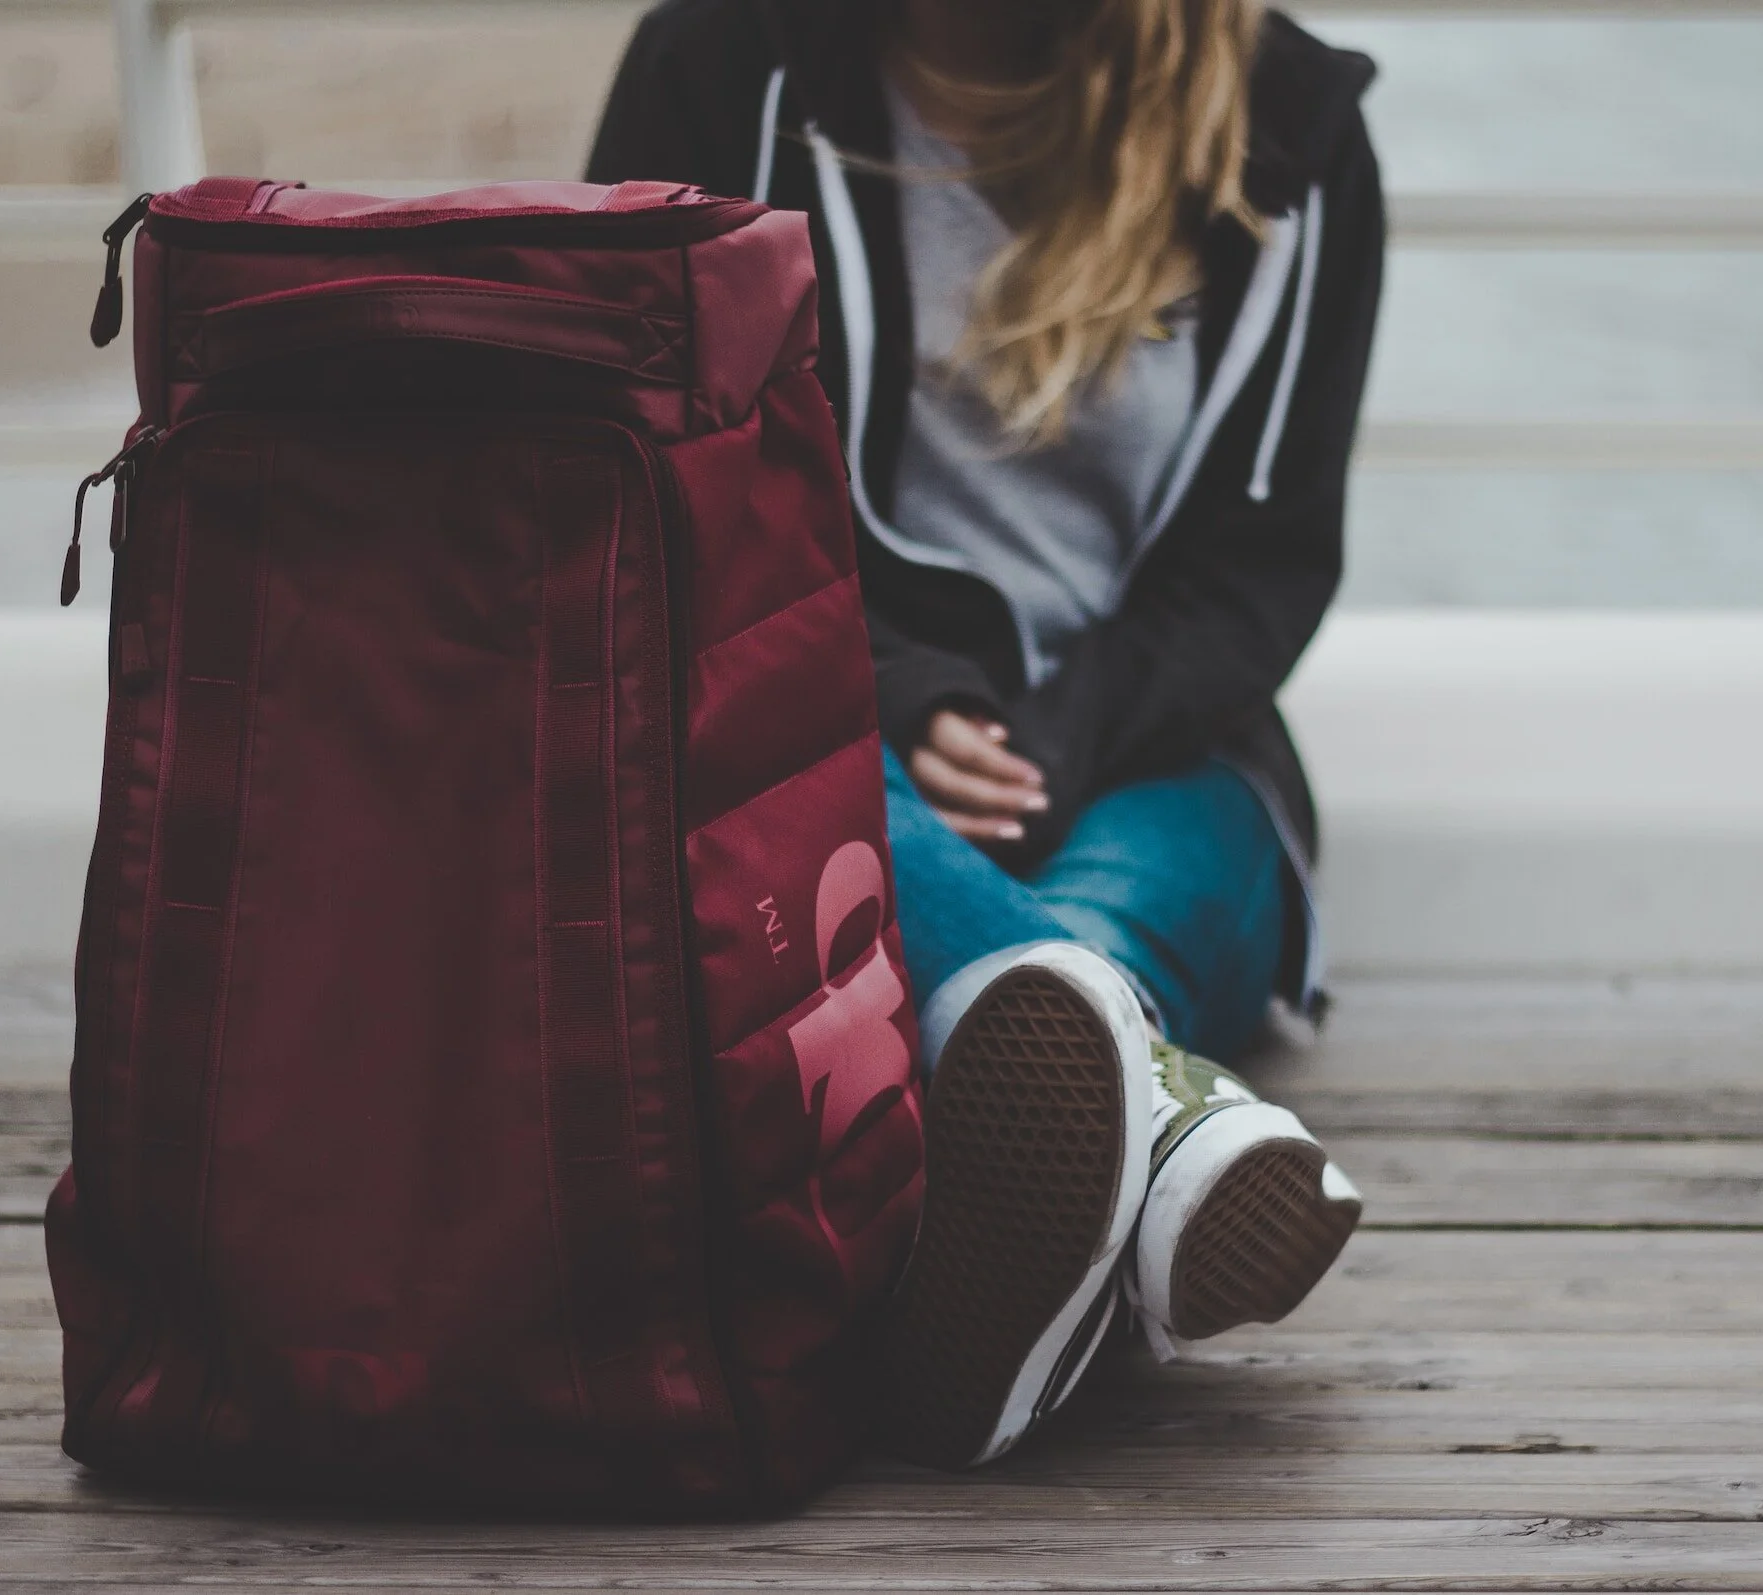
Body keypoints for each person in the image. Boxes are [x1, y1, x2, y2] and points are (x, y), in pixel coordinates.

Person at [589, 0, 1382, 1470]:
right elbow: (632, 453)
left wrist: (1062, 733)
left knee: (1141, 890)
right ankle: (1155, 1133)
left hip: (1159, 744)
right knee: (792, 803)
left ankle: (1056, 1125)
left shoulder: (1294, 125)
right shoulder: (725, 63)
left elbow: (1263, 570)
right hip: (805, 714)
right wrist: (890, 683)